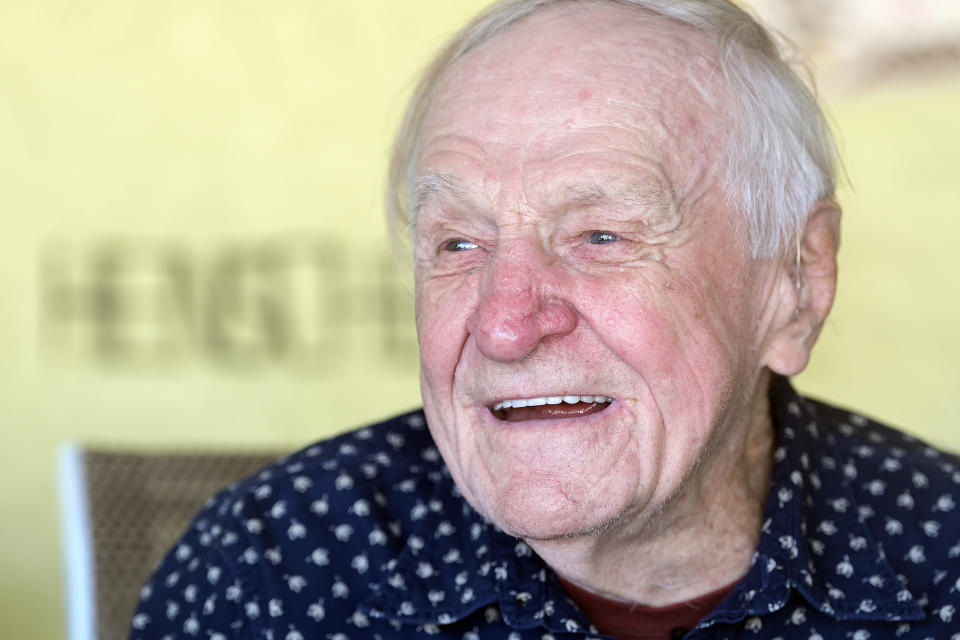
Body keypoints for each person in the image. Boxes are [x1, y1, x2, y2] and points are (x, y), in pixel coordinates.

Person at [128, 1, 960, 638]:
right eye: (457, 243)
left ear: (798, 278)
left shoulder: (944, 564)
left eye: (601, 235)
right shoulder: (277, 571)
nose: (504, 324)